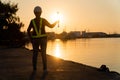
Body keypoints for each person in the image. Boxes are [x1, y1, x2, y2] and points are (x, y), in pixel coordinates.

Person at [27, 6, 58, 72]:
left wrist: (31, 39)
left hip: (35, 40)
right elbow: (51, 26)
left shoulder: (32, 21)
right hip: (43, 39)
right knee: (43, 54)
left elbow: (28, 30)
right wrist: (56, 21)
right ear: (41, 13)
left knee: (35, 54)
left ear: (34, 13)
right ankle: (45, 69)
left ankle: (34, 69)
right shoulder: (43, 20)